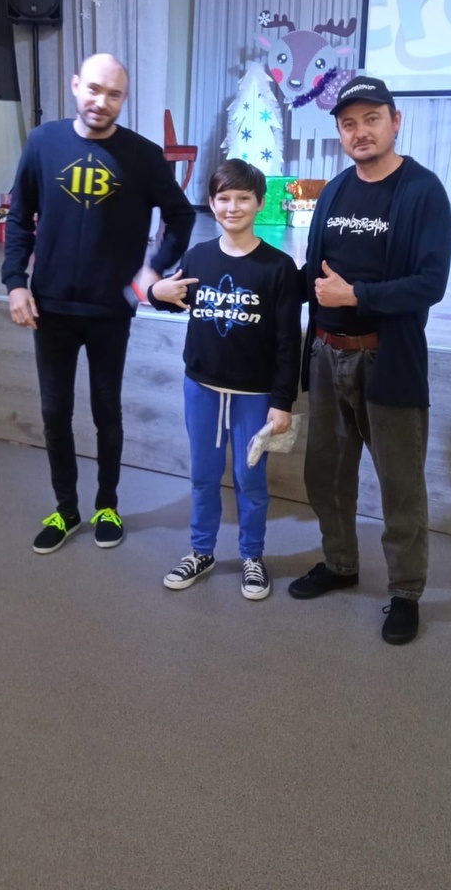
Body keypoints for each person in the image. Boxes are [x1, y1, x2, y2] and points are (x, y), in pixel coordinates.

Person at [1, 53, 195, 555]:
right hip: (50, 307)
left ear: (124, 99)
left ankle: (107, 504)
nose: (101, 102)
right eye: (93, 89)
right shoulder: (43, 142)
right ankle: (66, 509)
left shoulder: (143, 155)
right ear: (75, 86)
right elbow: (19, 218)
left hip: (111, 308)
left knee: (107, 411)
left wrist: (153, 268)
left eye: (113, 94)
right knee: (54, 413)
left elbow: (180, 216)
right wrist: (15, 283)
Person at [289, 76, 451, 644]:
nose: (360, 132)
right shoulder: (335, 191)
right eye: (349, 124)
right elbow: (314, 274)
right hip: (326, 354)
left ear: (395, 121)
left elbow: (430, 283)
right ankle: (340, 563)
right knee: (327, 474)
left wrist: (355, 295)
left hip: (388, 359)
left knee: (399, 483)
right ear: (340, 132)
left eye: (372, 119)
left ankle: (405, 592)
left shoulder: (422, 191)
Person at [149, 159, 302, 600]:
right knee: (203, 475)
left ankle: (252, 556)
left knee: (250, 479)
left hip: (255, 395)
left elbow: (288, 342)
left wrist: (282, 401)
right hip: (202, 388)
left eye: (243, 198)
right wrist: (156, 292)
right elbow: (171, 297)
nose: (233, 207)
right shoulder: (198, 256)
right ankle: (202, 551)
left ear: (260, 203)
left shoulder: (278, 267)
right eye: (224, 198)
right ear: (212, 203)